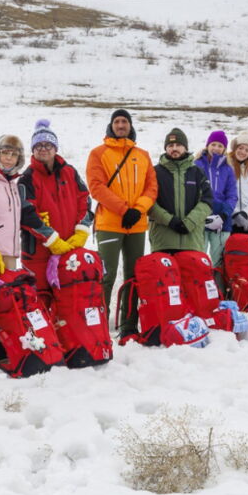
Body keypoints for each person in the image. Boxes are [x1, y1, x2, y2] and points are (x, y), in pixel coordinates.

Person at [0, 135, 71, 367]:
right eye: (5, 152)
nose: (9, 157)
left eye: (14, 154)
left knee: (2, 305)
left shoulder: (11, 184)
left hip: (8, 254)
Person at [86, 109, 158, 336]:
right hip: (109, 223)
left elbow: (152, 187)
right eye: (116, 121)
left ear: (130, 125)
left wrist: (138, 210)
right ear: (111, 125)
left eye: (124, 121)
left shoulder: (143, 155)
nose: (120, 125)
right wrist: (123, 209)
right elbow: (96, 186)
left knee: (133, 275)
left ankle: (128, 324)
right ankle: (99, 325)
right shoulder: (98, 153)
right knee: (106, 276)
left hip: (136, 224)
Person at [19, 119, 93, 306]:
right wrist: (51, 239)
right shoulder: (27, 178)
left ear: (55, 148)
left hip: (69, 248)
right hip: (38, 254)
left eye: (48, 144)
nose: (43, 149)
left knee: (68, 299)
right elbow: (26, 213)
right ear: (33, 150)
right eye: (39, 145)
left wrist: (82, 230)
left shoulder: (69, 172)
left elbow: (85, 199)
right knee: (40, 300)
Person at [149, 128, 214, 255]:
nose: (174, 148)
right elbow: (149, 203)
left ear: (185, 147)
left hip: (192, 241)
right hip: (163, 241)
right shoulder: (155, 172)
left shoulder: (197, 172)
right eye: (170, 145)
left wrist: (189, 222)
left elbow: (207, 201)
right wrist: (170, 221)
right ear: (165, 148)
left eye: (178, 145)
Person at [194, 129, 237, 267]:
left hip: (222, 222)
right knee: (198, 258)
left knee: (219, 261)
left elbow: (232, 195)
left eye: (220, 146)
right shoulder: (196, 165)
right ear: (208, 145)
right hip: (200, 220)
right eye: (213, 144)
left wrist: (224, 215)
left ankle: (219, 286)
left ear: (224, 149)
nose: (216, 148)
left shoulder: (228, 169)